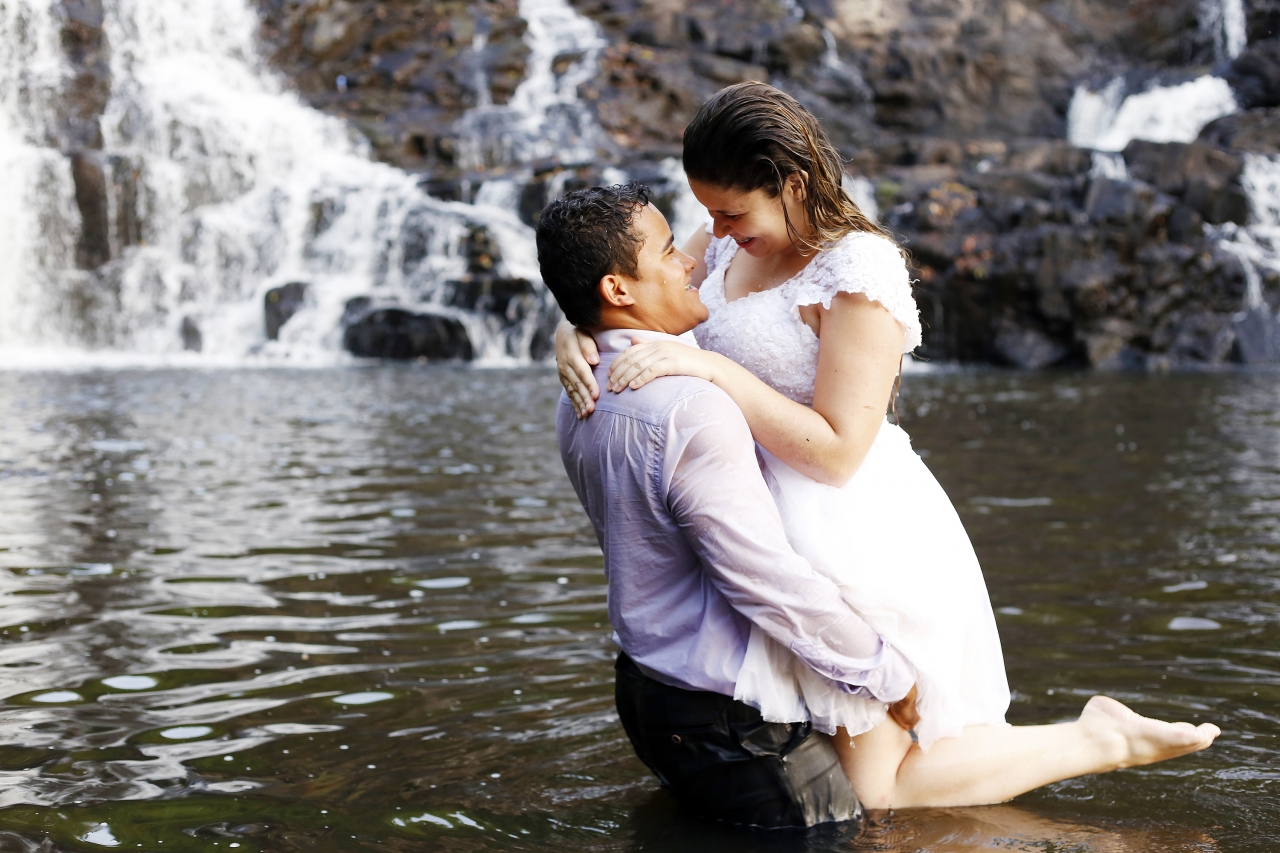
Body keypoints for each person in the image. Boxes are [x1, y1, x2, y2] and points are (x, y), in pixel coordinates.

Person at [552, 82, 1220, 812]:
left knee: (878, 787)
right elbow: (634, 293)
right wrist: (577, 328)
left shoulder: (857, 269)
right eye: (707, 211)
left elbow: (838, 451)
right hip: (753, 516)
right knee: (855, 773)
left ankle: (1098, 740)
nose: (713, 232)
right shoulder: (725, 238)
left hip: (848, 528)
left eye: (731, 213)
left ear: (791, 185)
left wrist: (714, 370)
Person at [538, 181, 918, 829]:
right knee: (843, 838)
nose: (692, 258)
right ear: (618, 289)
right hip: (727, 720)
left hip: (645, 688)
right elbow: (762, 577)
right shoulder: (693, 406)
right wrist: (886, 673)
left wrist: (573, 327)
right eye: (668, 250)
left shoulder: (579, 390)